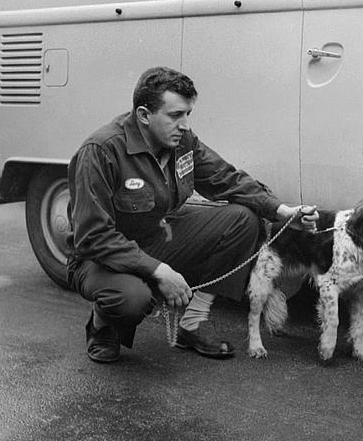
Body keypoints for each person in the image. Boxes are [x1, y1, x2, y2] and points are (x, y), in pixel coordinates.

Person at [66, 66, 318, 363]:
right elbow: (93, 236)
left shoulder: (182, 141)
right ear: (144, 115)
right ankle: (102, 325)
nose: (184, 125)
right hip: (99, 257)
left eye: (187, 114)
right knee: (132, 298)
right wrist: (160, 271)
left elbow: (226, 178)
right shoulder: (101, 151)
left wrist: (282, 211)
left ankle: (192, 323)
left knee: (242, 221)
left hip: (156, 237)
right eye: (175, 116)